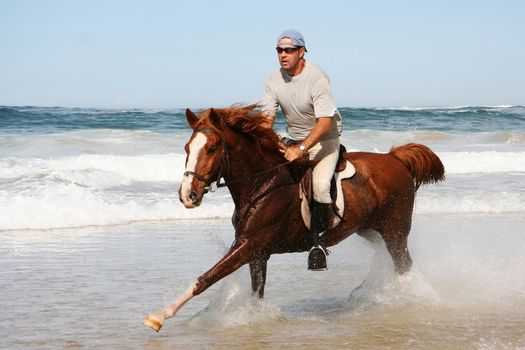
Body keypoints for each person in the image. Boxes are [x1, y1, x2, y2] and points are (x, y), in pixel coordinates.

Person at [260, 29, 342, 270]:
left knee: (319, 187)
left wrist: (302, 148)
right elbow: (266, 119)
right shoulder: (273, 80)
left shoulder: (317, 78)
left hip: (324, 139)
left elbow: (325, 122)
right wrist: (271, 141)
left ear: (302, 51)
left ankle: (318, 244)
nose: (283, 55)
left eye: (289, 50)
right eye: (279, 50)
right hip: (293, 140)